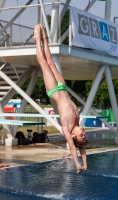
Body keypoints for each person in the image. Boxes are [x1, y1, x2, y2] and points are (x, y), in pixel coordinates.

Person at [34, 24, 88, 173]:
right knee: (52, 62)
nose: (84, 131)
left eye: (81, 134)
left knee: (44, 64)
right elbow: (82, 147)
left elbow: (73, 147)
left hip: (54, 91)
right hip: (62, 87)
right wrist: (86, 164)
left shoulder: (66, 128)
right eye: (84, 134)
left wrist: (77, 165)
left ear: (72, 135)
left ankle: (37, 40)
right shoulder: (77, 122)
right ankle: (44, 38)